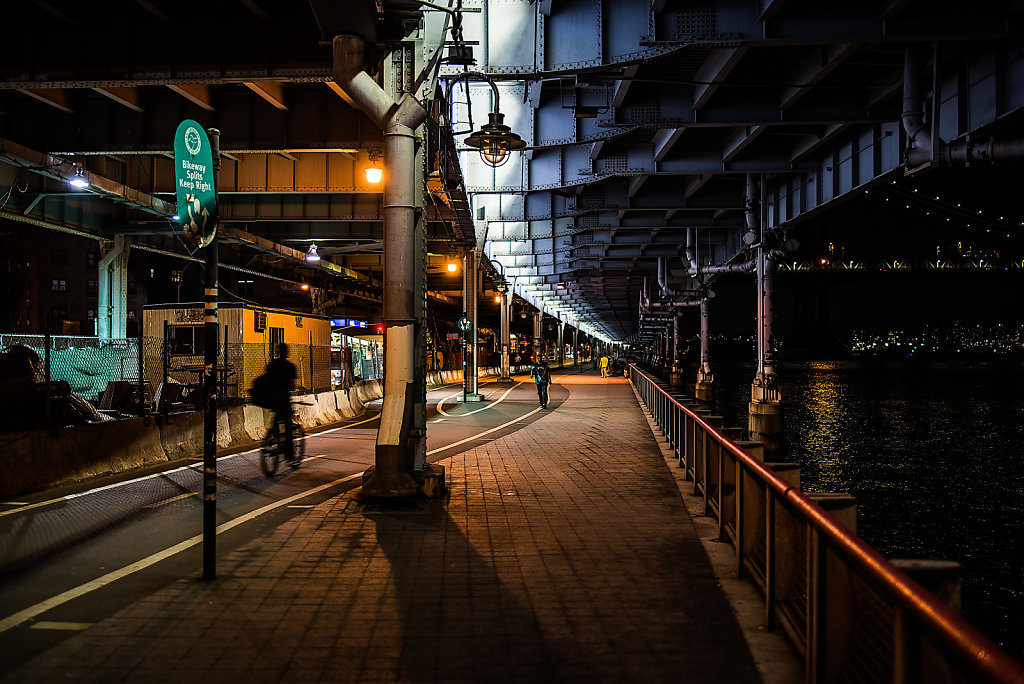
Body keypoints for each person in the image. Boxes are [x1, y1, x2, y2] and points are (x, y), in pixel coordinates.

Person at [264, 343, 298, 459]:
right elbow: (292, 385)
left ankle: (272, 435)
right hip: (283, 398)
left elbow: (266, 379)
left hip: (271, 398)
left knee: (276, 418)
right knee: (288, 424)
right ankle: (289, 455)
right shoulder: (289, 366)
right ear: (286, 352)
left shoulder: (273, 364)